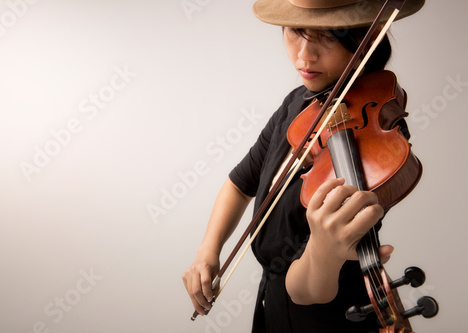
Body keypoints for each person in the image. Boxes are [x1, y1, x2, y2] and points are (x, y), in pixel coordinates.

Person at [182, 0, 425, 332]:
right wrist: (207, 251)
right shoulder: (298, 104)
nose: (305, 55)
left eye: (326, 37)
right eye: (296, 32)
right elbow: (240, 183)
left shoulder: (376, 135)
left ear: (366, 39)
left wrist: (324, 251)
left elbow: (308, 292)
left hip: (327, 313)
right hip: (271, 307)